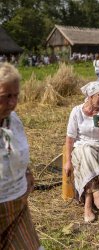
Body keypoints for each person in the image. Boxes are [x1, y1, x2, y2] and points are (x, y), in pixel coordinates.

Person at [0, 63, 43, 249]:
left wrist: (27, 171)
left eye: (15, 95)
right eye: (6, 96)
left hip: (18, 205)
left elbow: (18, 149)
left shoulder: (13, 120)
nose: (12, 102)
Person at [64, 81, 99, 223]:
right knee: (85, 150)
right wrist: (67, 161)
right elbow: (70, 138)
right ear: (90, 96)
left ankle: (88, 206)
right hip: (80, 149)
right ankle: (96, 194)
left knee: (86, 153)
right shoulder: (76, 111)